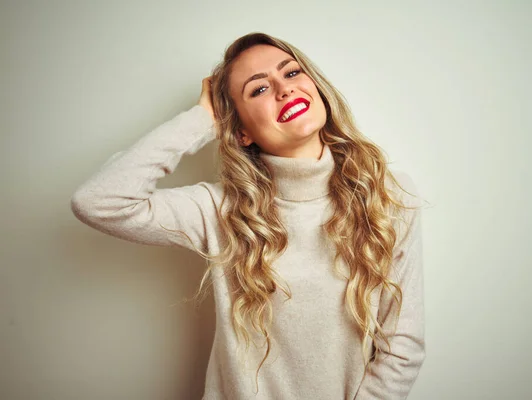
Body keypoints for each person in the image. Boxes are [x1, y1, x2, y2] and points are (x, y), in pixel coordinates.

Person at [71, 32, 426, 400]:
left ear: (316, 87)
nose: (283, 89)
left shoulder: (388, 196)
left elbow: (403, 347)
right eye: (258, 90)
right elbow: (98, 201)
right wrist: (202, 119)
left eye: (291, 73)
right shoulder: (221, 210)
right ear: (241, 132)